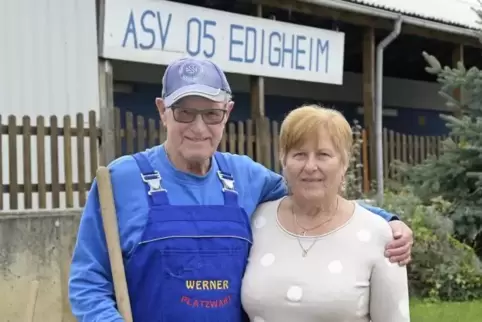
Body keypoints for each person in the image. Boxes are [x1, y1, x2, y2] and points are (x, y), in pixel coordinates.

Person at [68, 57, 413, 322]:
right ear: (162, 111)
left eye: (212, 114)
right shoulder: (120, 180)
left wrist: (387, 221)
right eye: (185, 113)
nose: (199, 128)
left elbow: (313, 192)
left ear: (228, 112)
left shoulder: (244, 177)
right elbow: (88, 281)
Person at [241, 105, 410, 322]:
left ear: (344, 162)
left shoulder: (379, 235)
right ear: (283, 160)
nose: (310, 166)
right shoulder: (257, 221)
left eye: (323, 155)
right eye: (299, 154)